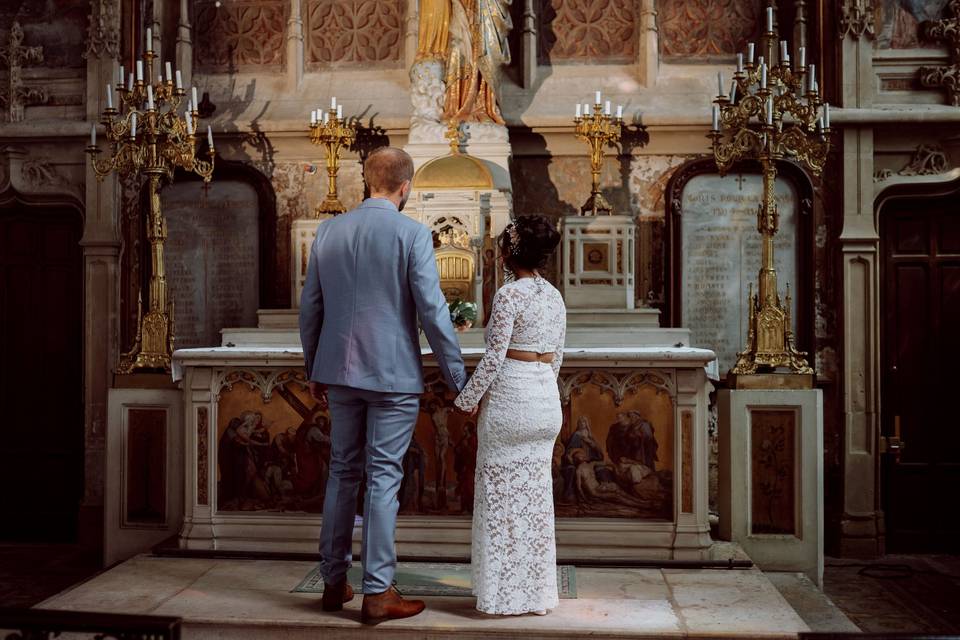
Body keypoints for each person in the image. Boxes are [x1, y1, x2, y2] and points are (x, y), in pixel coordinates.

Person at [299, 146, 466, 623]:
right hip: (392, 375)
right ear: (405, 186)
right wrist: (457, 378)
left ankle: (334, 582)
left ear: (366, 181)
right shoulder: (412, 233)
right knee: (383, 478)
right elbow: (433, 312)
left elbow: (311, 308)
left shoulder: (329, 230)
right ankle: (377, 592)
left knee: (342, 472)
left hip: (338, 372)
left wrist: (315, 368)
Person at [454, 215, 565, 616]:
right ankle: (536, 596)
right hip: (544, 402)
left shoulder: (508, 295)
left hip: (510, 402)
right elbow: (557, 358)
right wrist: (542, 392)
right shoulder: (554, 296)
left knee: (500, 500)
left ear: (508, 253)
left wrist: (467, 400)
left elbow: (494, 357)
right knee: (535, 502)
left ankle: (501, 596)